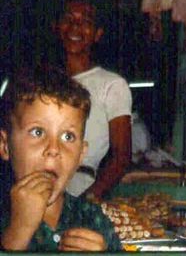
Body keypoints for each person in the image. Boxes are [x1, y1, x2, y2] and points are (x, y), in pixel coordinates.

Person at [0, 66, 121, 251]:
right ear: (5, 145)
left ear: (81, 154)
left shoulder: (94, 219)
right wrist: (17, 235)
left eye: (68, 137)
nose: (54, 149)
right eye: (38, 132)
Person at [55, 1, 132, 198]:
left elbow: (121, 157)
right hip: (39, 185)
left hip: (79, 186)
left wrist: (86, 202)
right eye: (69, 19)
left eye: (85, 22)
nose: (75, 27)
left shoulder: (112, 85)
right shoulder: (44, 83)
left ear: (97, 34)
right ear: (57, 26)